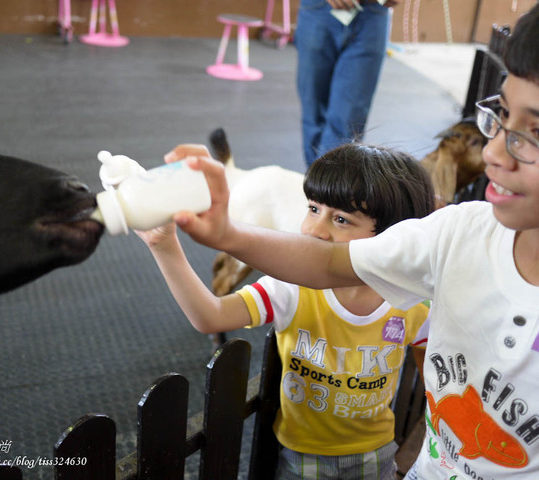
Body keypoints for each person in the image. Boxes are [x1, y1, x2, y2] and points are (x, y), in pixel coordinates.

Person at [166, 4, 539, 479]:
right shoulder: (456, 234)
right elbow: (324, 265)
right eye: (502, 115)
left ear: (386, 232)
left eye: (536, 131)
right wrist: (220, 236)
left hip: (375, 456)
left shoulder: (411, 307)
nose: (492, 151)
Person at [138, 144, 434, 479]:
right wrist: (164, 248)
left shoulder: (411, 304)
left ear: (392, 236)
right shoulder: (292, 289)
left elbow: (438, 366)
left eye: (340, 219)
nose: (314, 229)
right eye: (312, 208)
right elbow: (211, 315)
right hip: (303, 458)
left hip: (376, 453)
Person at [295, 0, 399, 166]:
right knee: (313, 113)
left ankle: (329, 187)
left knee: (348, 124)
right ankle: (317, 184)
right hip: (319, 9)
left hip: (373, 13)